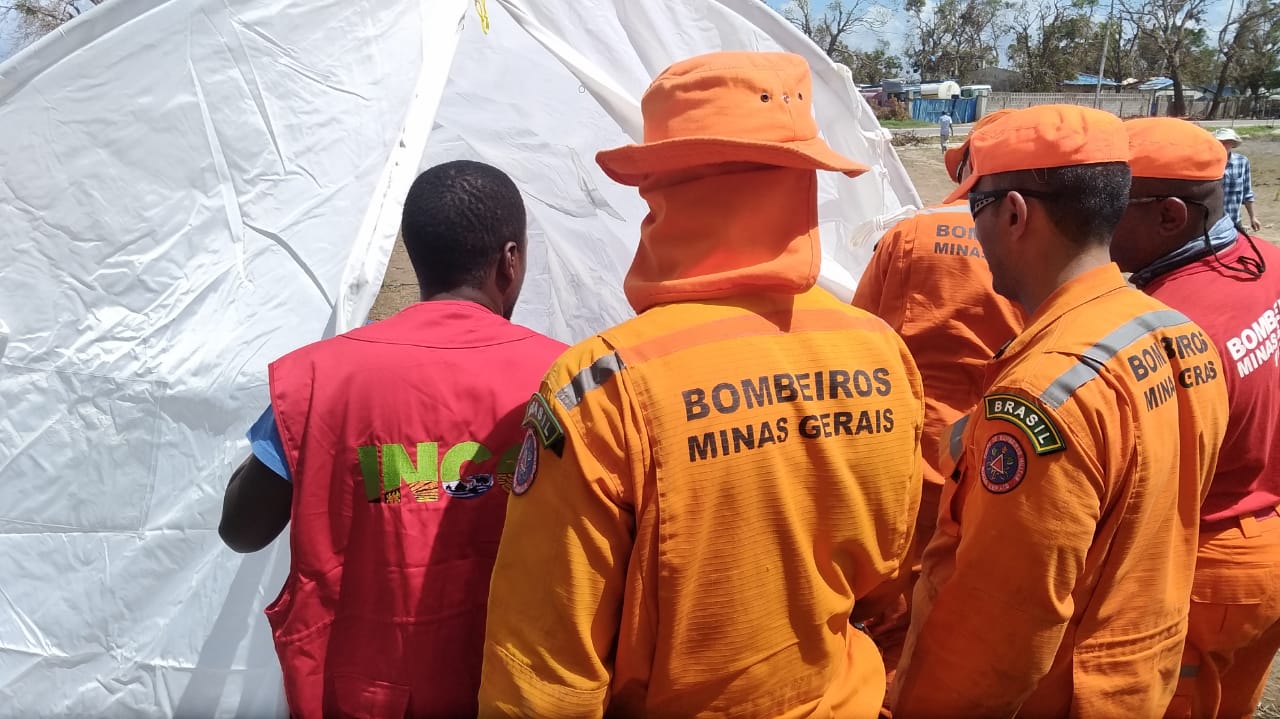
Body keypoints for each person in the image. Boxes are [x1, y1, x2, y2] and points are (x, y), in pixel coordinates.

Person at [478, 51, 926, 718]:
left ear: (658, 184)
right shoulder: (880, 350)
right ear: (804, 177)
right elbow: (889, 583)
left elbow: (544, 678)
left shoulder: (602, 387)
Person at [890, 105, 1230, 718]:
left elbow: (999, 632)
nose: (973, 232)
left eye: (977, 210)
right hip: (1136, 676)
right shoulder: (1179, 331)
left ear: (1015, 213)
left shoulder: (1041, 397)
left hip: (1057, 694)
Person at [217, 160, 567, 718]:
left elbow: (240, 529)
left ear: (416, 254)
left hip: (359, 697)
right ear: (510, 260)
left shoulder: (317, 379)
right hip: (513, 695)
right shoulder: (569, 380)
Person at [851, 106, 1024, 701]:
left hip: (913, 457)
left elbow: (861, 338)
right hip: (1004, 457)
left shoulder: (909, 234)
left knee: (895, 603)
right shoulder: (1037, 242)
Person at [1113, 118, 1280, 719]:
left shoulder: (1171, 326)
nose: (1092, 218)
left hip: (1205, 568)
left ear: (1170, 217)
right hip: (1263, 546)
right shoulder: (1268, 260)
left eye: (1109, 202)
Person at [1215, 128, 1262, 232]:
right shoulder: (1208, 162)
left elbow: (1247, 192)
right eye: (1220, 141)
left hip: (1234, 219)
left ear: (1233, 144)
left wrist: (1252, 217)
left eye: (1227, 141)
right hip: (1213, 222)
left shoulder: (1242, 162)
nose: (1223, 144)